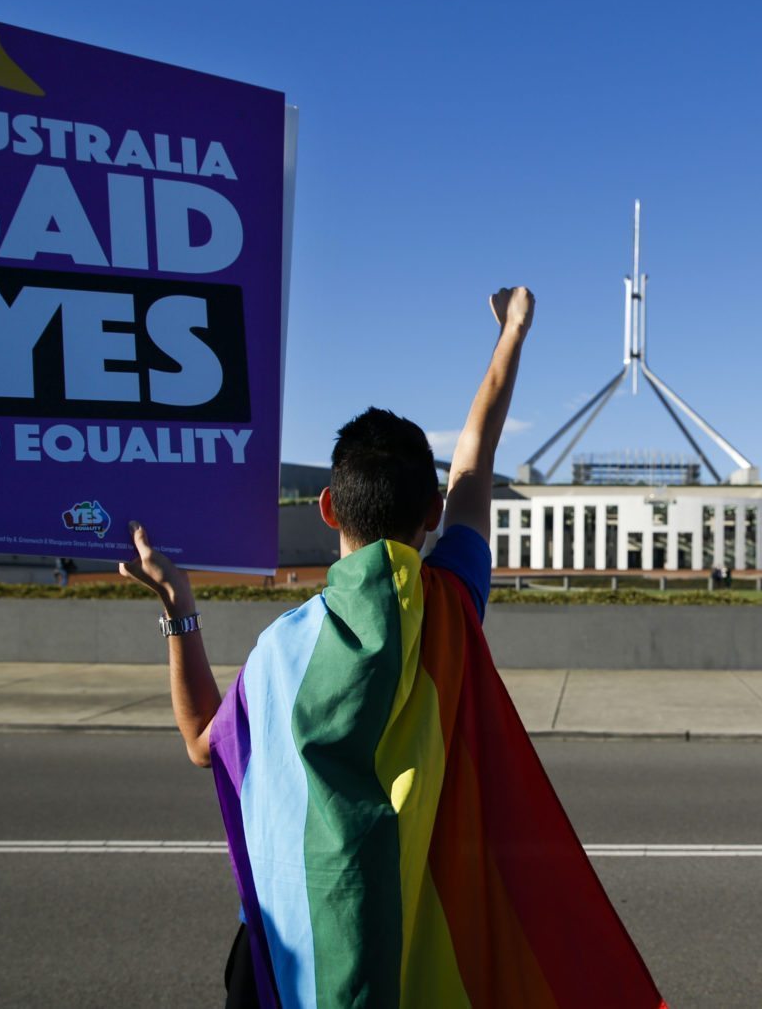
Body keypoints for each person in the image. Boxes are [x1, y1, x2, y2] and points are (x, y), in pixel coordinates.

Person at [120, 287, 664, 1009]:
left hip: (289, 961)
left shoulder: (283, 651)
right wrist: (513, 332)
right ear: (432, 513)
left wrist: (180, 611)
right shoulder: (450, 607)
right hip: (423, 949)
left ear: (327, 508)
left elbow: (200, 740)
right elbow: (476, 458)